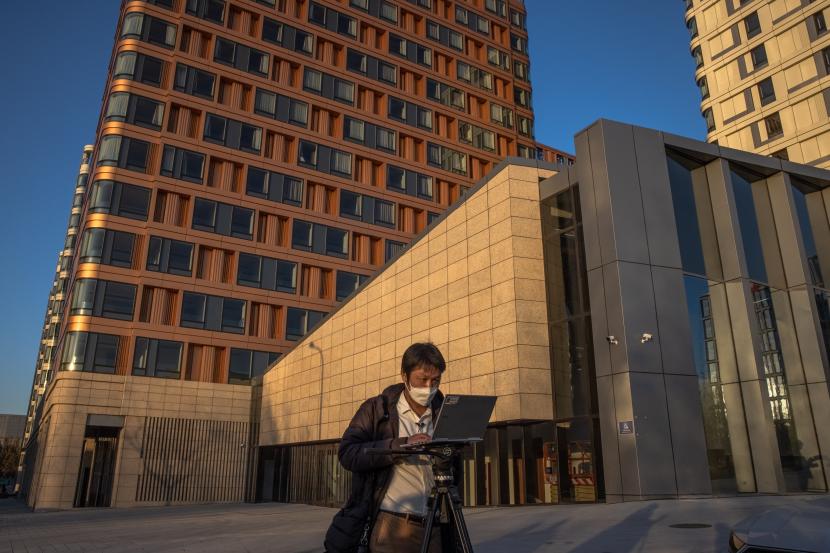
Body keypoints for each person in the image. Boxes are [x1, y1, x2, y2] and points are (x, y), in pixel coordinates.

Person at [324, 342, 456, 553]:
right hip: (393, 525)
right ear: (404, 375)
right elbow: (348, 453)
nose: (429, 387)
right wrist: (400, 446)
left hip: (436, 525)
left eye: (435, 381)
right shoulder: (377, 410)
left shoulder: (445, 413)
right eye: (422, 379)